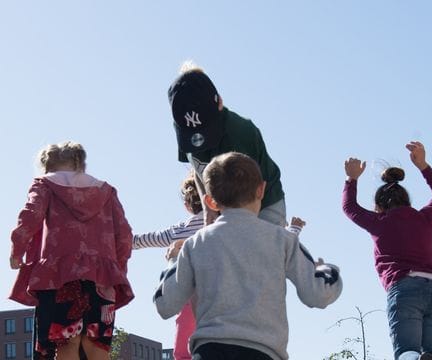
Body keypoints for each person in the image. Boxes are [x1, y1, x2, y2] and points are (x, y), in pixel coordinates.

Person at [153, 152, 342, 360]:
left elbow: (165, 304)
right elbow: (318, 294)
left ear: (210, 202)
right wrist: (326, 269)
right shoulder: (282, 240)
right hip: (263, 351)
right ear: (261, 189)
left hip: (210, 350)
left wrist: (173, 260)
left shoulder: (196, 244)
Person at [8, 141, 134, 360]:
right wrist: (117, 268)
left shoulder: (45, 184)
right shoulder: (106, 191)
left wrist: (17, 250)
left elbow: (30, 215)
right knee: (97, 345)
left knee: (66, 341)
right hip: (102, 278)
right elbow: (124, 236)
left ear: (47, 165)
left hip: (60, 276)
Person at [343, 141, 432, 360]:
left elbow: (350, 208)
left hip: (406, 287)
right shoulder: (424, 218)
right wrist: (423, 165)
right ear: (408, 201)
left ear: (378, 206)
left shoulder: (378, 221)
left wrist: (352, 179)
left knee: (408, 353)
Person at [167, 61, 285, 226]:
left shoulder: (240, 132)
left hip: (262, 203)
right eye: (193, 133)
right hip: (225, 206)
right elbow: (199, 170)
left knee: (256, 247)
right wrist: (207, 207)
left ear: (220, 102)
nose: (200, 141)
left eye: (206, 129)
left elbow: (247, 195)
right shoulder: (184, 131)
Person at [132, 172, 204, 360]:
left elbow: (150, 238)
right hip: (221, 296)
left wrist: (125, 241)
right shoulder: (223, 225)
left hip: (189, 296)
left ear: (188, 206)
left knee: (182, 353)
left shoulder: (181, 230)